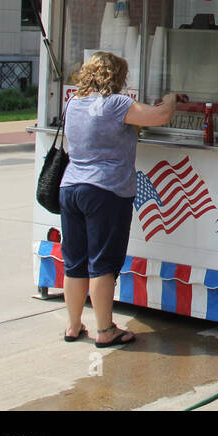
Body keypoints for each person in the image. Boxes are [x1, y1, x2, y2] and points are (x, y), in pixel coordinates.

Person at [61, 52, 178, 347]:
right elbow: (160, 116)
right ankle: (105, 330)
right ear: (116, 76)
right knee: (103, 264)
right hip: (105, 191)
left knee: (75, 263)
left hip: (70, 187)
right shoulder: (115, 104)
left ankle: (73, 327)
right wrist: (172, 98)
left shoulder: (73, 103)